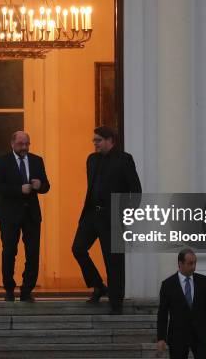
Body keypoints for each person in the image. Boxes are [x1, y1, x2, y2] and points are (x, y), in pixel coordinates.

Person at [72, 126, 142, 314]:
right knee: (78, 248)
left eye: (98, 140)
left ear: (110, 140)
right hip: (91, 214)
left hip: (113, 217)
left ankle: (116, 303)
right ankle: (97, 284)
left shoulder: (124, 159)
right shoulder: (92, 160)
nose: (95, 143)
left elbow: (135, 191)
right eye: (94, 140)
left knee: (113, 261)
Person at [0, 131, 50, 302]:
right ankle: (9, 289)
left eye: (27, 144)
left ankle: (27, 290)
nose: (24, 147)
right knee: (10, 252)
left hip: (31, 215)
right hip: (9, 215)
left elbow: (46, 186)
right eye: (20, 144)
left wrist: (40, 185)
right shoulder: (2, 161)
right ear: (12, 144)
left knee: (33, 253)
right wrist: (19, 190)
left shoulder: (37, 160)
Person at [156, 248, 206, 359]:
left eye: (195, 263)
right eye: (190, 263)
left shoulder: (203, 281)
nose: (193, 266)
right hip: (178, 336)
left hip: (200, 336)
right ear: (180, 263)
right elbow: (162, 314)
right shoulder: (168, 285)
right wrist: (161, 338)